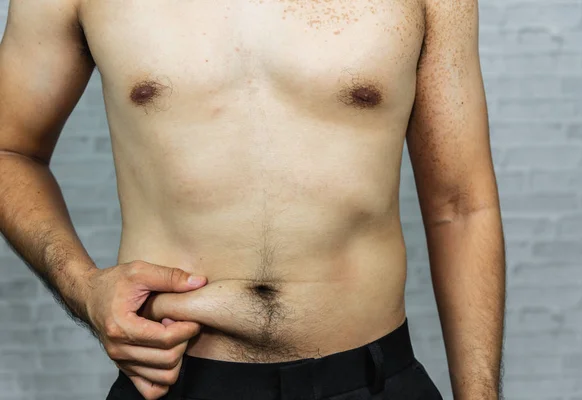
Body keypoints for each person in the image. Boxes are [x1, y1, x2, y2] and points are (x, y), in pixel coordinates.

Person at [0, 0, 506, 399]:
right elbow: (9, 149)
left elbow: (460, 206)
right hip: (177, 383)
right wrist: (84, 287)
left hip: (373, 379)